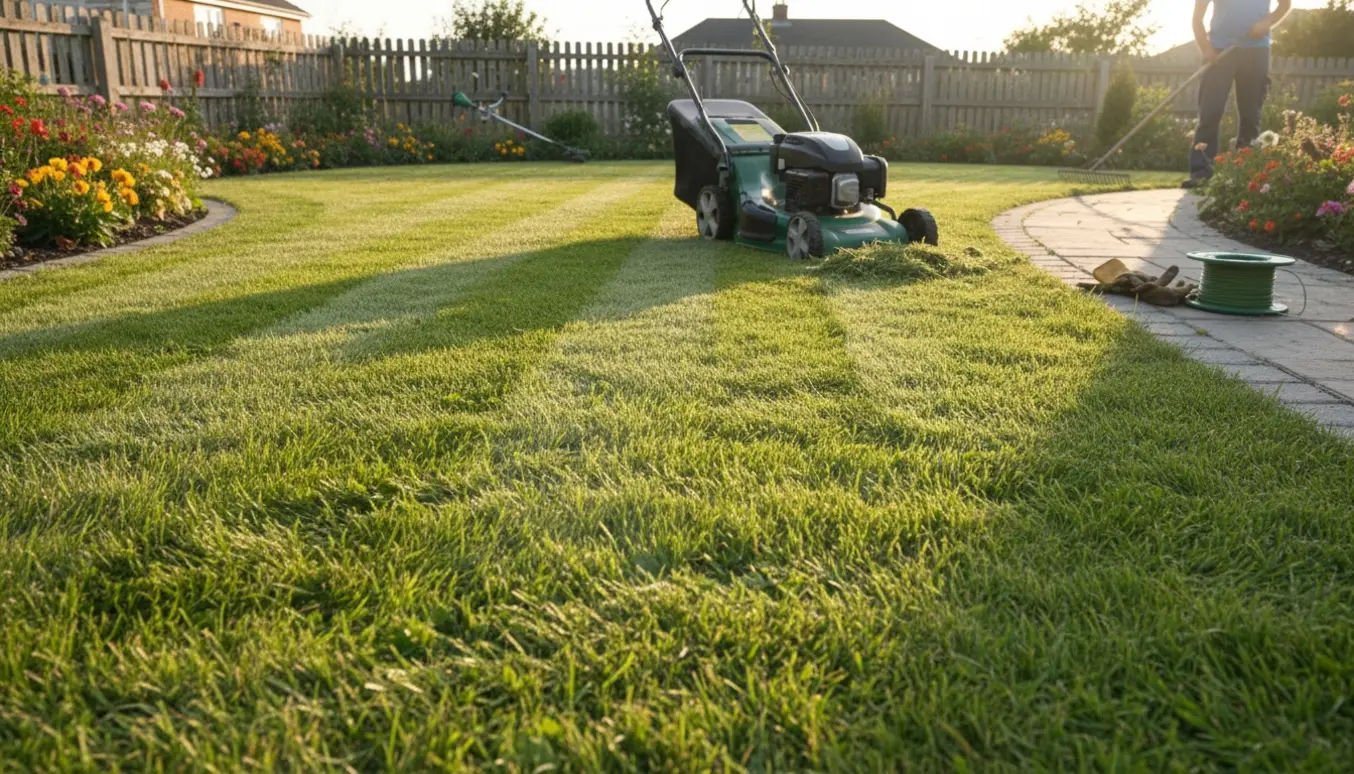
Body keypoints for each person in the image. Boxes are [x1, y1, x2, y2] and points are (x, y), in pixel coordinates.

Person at [1182, 0, 1292, 188]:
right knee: (1210, 111)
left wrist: (1267, 23)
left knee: (1251, 114)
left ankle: (1244, 173)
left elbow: (1285, 4)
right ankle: (1202, 172)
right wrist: (1206, 49)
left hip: (1256, 51)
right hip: (1219, 50)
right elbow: (1197, 18)